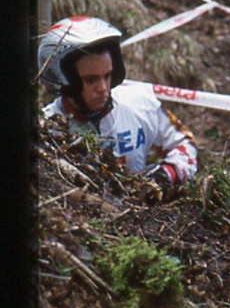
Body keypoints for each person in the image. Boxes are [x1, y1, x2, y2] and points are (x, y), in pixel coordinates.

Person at [38, 17, 197, 198]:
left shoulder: (140, 103)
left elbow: (185, 142)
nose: (103, 88)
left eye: (108, 76)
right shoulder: (45, 128)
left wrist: (166, 175)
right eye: (91, 80)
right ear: (65, 81)